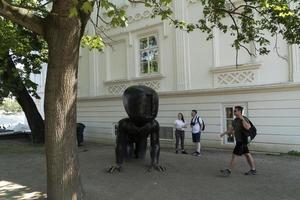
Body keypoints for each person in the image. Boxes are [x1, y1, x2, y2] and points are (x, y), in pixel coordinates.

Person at [220, 106, 256, 176]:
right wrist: (223, 134)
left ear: (240, 111)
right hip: (240, 141)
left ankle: (229, 170)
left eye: (235, 111)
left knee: (234, 155)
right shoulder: (235, 120)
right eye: (234, 111)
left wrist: (242, 118)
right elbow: (231, 129)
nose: (234, 112)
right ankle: (253, 170)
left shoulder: (244, 119)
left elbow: (248, 127)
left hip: (242, 141)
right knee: (247, 155)